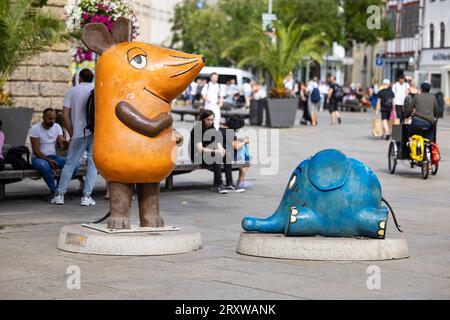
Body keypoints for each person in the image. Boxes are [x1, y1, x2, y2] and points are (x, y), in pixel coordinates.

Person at [51, 68, 97, 206]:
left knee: (70, 164)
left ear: (80, 78)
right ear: (92, 78)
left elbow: (64, 116)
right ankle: (86, 197)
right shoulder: (97, 89)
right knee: (93, 165)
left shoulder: (72, 91)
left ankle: (60, 195)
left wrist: (72, 132)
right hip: (95, 132)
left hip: (78, 134)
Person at [189, 110, 243, 194]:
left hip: (209, 153)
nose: (210, 122)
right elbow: (200, 149)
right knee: (215, 156)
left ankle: (229, 183)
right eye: (208, 119)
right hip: (197, 155)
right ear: (202, 119)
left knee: (227, 155)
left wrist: (221, 149)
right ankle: (219, 184)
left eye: (212, 119)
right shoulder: (197, 129)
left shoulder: (212, 128)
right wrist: (215, 151)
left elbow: (217, 142)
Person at [29, 108, 74, 196]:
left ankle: (60, 187)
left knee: (74, 165)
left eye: (54, 119)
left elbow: (61, 144)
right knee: (45, 166)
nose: (52, 121)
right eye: (50, 119)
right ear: (43, 117)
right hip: (38, 158)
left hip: (53, 157)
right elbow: (36, 151)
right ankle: (55, 191)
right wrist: (48, 161)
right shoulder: (35, 129)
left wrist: (69, 143)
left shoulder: (57, 127)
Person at [221, 115, 251, 189]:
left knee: (243, 148)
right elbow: (235, 146)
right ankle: (241, 180)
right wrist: (244, 141)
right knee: (246, 151)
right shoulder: (230, 132)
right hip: (227, 156)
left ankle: (242, 175)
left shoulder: (220, 128)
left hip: (221, 154)